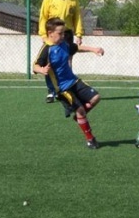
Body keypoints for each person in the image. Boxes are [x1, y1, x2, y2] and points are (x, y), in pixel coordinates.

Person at [33, 17, 104, 150]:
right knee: (81, 110)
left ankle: (79, 117)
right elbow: (35, 65)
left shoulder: (64, 44)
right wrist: (41, 70)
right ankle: (90, 139)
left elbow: (77, 47)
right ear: (50, 33)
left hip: (74, 81)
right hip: (61, 89)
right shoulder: (47, 49)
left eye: (64, 33)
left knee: (96, 98)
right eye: (60, 33)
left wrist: (94, 49)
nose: (63, 36)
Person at [39, 0, 84, 103]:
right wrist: (43, 34)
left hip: (67, 34)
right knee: (50, 64)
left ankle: (66, 90)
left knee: (67, 63)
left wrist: (79, 34)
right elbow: (43, 16)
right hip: (52, 35)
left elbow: (77, 18)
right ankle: (51, 91)